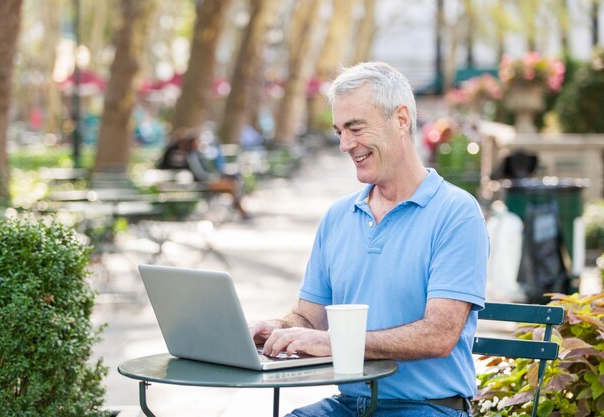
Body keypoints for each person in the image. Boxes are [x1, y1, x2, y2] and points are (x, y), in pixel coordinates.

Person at [250, 62, 489, 417]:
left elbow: (439, 335)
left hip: (426, 408)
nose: (346, 144)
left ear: (402, 119)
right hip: (348, 406)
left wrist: (337, 343)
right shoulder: (337, 217)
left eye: (355, 127)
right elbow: (309, 317)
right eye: (339, 132)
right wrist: (283, 329)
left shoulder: (456, 212)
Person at [157, 127, 249, 219]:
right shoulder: (192, 156)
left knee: (233, 184)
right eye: (197, 141)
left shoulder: (197, 154)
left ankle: (240, 211)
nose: (199, 143)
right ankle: (242, 212)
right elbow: (201, 175)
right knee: (231, 187)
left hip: (207, 181)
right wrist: (214, 178)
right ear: (193, 143)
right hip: (204, 184)